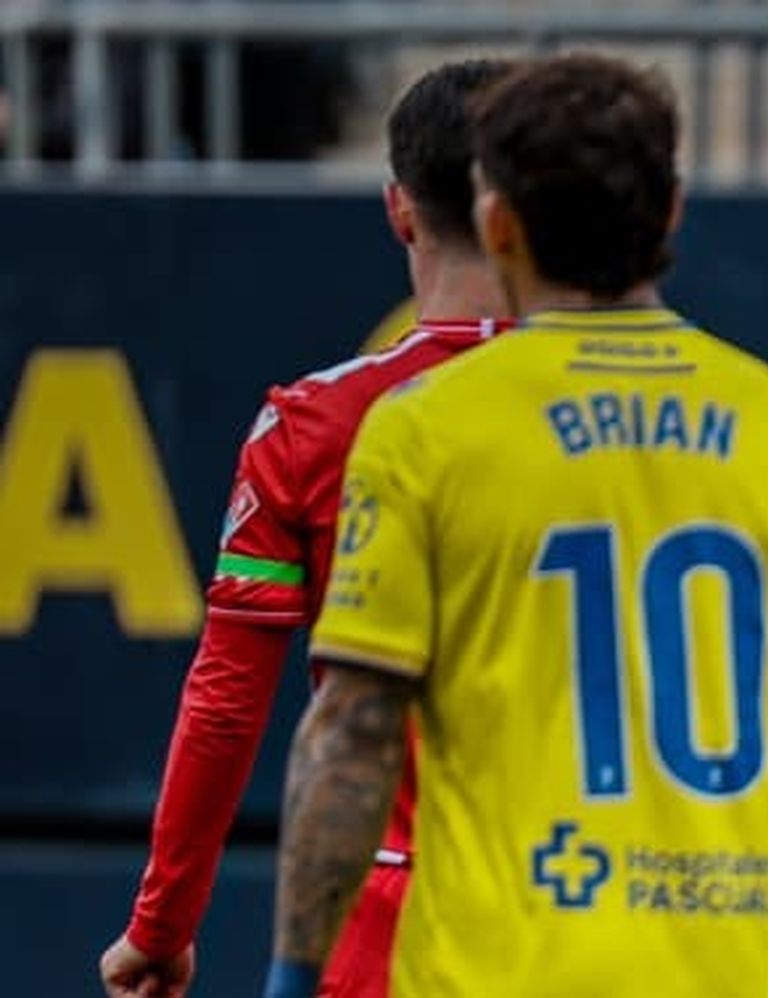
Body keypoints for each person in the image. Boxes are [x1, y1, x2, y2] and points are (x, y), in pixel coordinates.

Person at [263, 52, 768, 998]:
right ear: (673, 211)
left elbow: (351, 734)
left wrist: (292, 975)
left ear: (497, 222)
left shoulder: (423, 433)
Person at [98, 58, 514, 998]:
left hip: (390, 931)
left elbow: (227, 703)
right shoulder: (630, 423)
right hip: (599, 914)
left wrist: (161, 927)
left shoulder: (313, 422)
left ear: (399, 210)